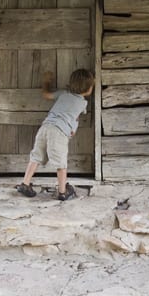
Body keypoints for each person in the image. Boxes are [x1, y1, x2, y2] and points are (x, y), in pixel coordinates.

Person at [16, 69, 95, 201]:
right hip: (59, 132)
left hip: (45, 127)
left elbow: (46, 95)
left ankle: (25, 183)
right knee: (61, 163)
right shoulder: (83, 103)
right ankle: (63, 192)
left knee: (36, 156)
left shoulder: (63, 93)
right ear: (88, 89)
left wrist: (46, 82)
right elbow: (75, 119)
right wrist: (73, 130)